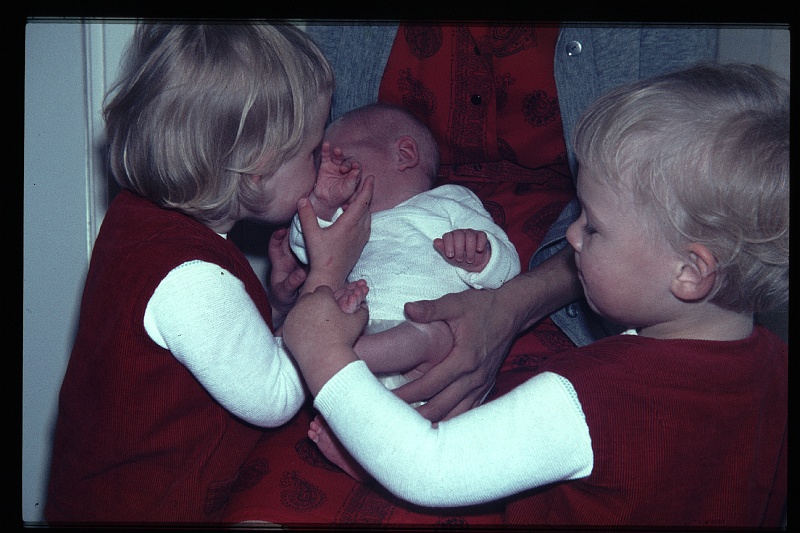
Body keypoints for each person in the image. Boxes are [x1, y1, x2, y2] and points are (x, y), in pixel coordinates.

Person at [282, 63, 788, 527]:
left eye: (594, 228)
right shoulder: (777, 368)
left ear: (690, 271)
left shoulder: (588, 394)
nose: (570, 236)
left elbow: (429, 466)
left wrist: (325, 357)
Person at [45, 23, 373, 524]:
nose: (323, 158)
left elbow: (219, 345)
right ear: (259, 170)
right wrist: (327, 271)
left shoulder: (141, 217)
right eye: (311, 152)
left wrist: (282, 307)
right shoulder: (190, 277)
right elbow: (275, 398)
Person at [288, 103, 520, 391]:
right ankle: (342, 402)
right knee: (326, 319)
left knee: (432, 332)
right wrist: (321, 205)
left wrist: (483, 256)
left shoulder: (449, 201)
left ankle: (336, 357)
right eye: (321, 174)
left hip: (430, 350)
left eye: (343, 162)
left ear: (404, 154)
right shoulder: (349, 221)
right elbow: (306, 246)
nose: (331, 178)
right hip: (360, 328)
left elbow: (509, 268)